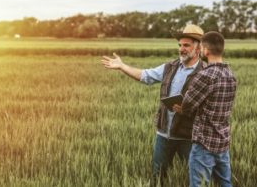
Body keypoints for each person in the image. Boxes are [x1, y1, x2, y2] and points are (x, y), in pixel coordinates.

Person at [101, 24, 206, 183]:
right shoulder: (169, 67)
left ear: (198, 49)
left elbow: (214, 107)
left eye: (186, 45)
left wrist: (189, 109)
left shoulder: (206, 72)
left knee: (197, 179)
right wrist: (122, 66)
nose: (181, 49)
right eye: (180, 45)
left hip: (189, 137)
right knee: (158, 176)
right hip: (164, 134)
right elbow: (145, 75)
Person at [173, 31, 237, 187]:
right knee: (225, 183)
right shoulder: (231, 75)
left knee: (199, 184)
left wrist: (181, 109)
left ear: (206, 50)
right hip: (222, 142)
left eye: (201, 48)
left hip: (204, 143)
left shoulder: (205, 75)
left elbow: (187, 105)